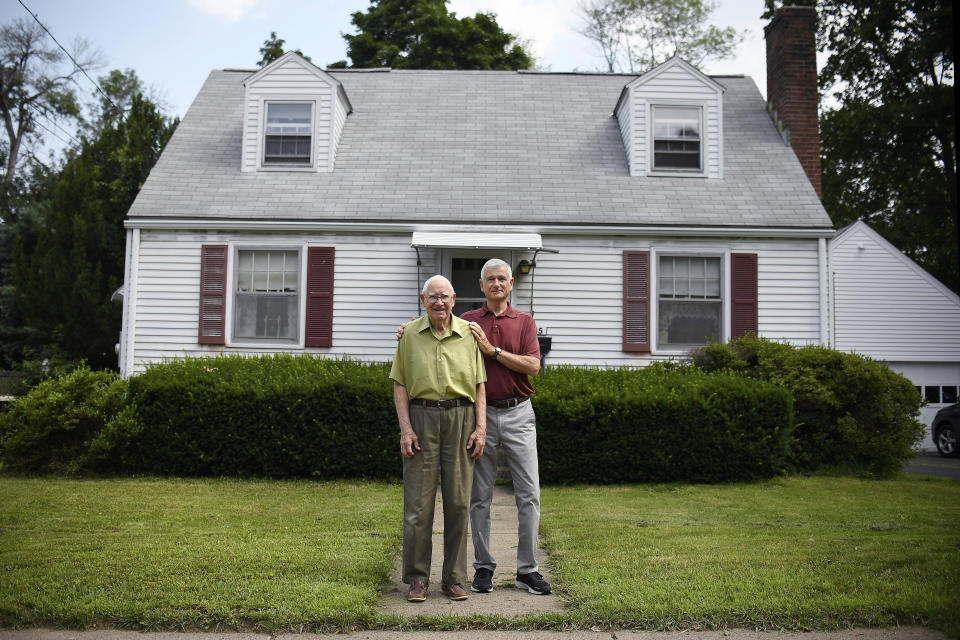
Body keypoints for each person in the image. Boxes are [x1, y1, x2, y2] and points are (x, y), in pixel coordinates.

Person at [397, 259, 551, 596]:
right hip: (476, 417)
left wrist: (493, 351)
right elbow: (435, 324)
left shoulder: (524, 322)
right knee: (477, 498)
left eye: (502, 278)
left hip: (516, 413)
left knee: (528, 495)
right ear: (480, 286)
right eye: (489, 279)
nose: (496, 284)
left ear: (511, 284)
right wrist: (408, 328)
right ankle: (483, 569)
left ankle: (528, 570)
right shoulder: (467, 322)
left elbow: (533, 366)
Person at [389, 274, 487, 603]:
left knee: (459, 503)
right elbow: (400, 384)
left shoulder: (469, 336)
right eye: (433, 297)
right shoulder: (409, 336)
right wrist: (406, 428)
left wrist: (480, 427)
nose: (439, 302)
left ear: (455, 299)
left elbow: (479, 386)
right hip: (421, 418)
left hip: (461, 418)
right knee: (418, 505)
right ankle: (417, 579)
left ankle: (454, 579)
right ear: (423, 299)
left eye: (444, 296)